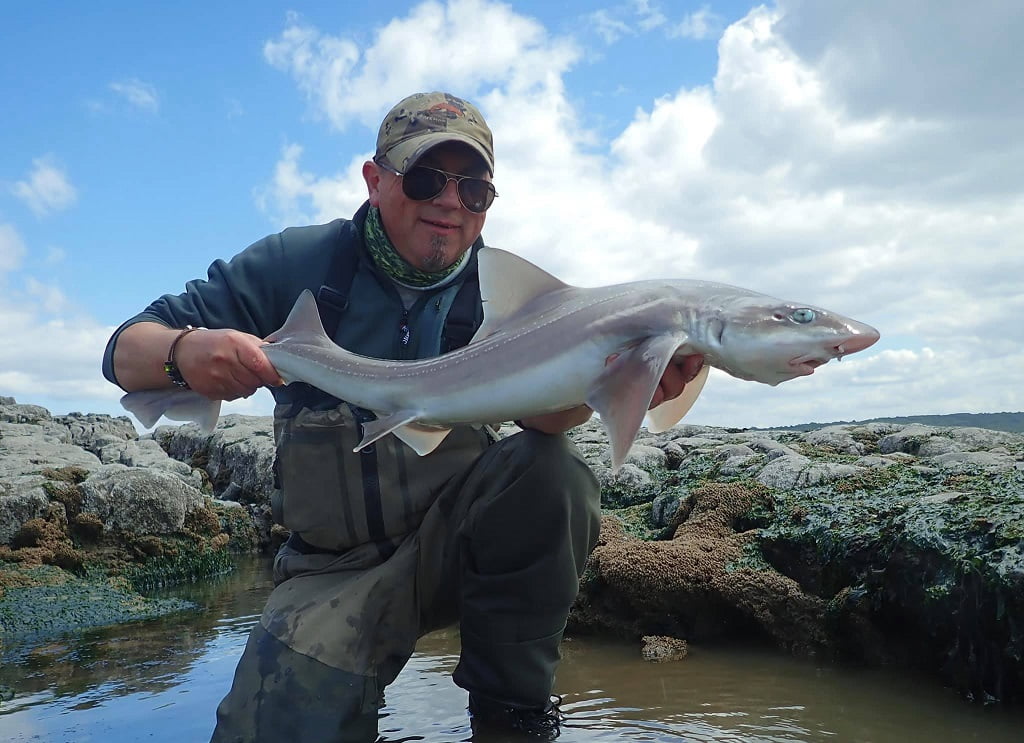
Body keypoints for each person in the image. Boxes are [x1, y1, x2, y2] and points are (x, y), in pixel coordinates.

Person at [102, 91, 704, 742]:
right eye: (425, 179)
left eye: (474, 191)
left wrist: (619, 386)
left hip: (454, 544)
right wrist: (181, 352)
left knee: (554, 475)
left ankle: (513, 716)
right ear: (374, 179)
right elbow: (123, 352)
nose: (451, 202)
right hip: (332, 572)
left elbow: (542, 429)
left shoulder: (504, 293)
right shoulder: (296, 265)